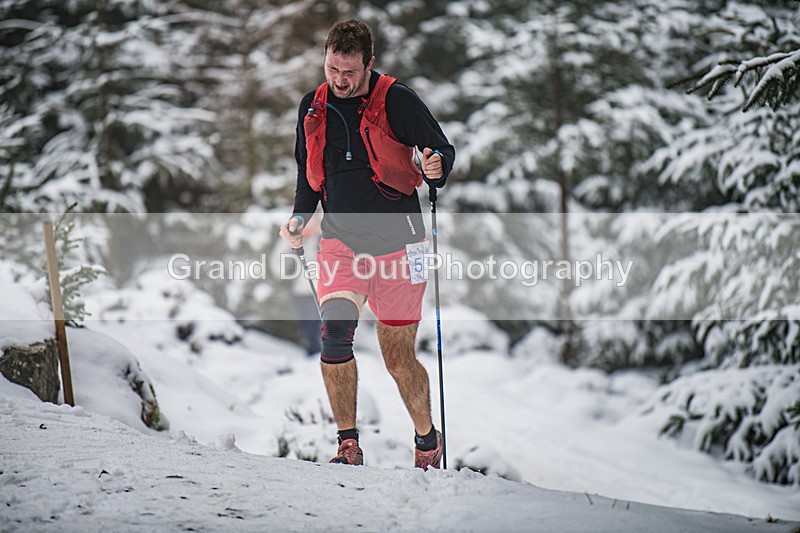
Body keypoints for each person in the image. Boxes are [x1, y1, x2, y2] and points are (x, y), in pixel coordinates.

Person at [279, 19, 455, 469]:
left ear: (369, 65)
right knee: (335, 336)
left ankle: (426, 439)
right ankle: (348, 444)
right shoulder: (312, 107)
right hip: (341, 242)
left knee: (397, 359)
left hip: (401, 245)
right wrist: (300, 217)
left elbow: (440, 149)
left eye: (350, 72)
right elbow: (308, 178)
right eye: (332, 69)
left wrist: (436, 168)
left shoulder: (397, 99)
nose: (340, 80)